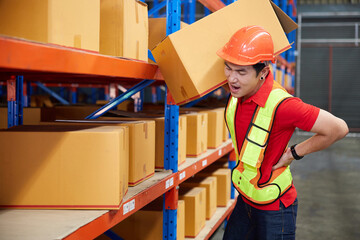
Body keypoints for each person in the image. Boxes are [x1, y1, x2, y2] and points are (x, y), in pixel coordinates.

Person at [217, 25, 349, 240]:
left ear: (264, 72)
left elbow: (338, 128)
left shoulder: (283, 105)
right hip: (245, 199)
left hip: (274, 208)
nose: (232, 78)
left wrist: (293, 153)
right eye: (228, 68)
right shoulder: (237, 92)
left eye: (241, 72)